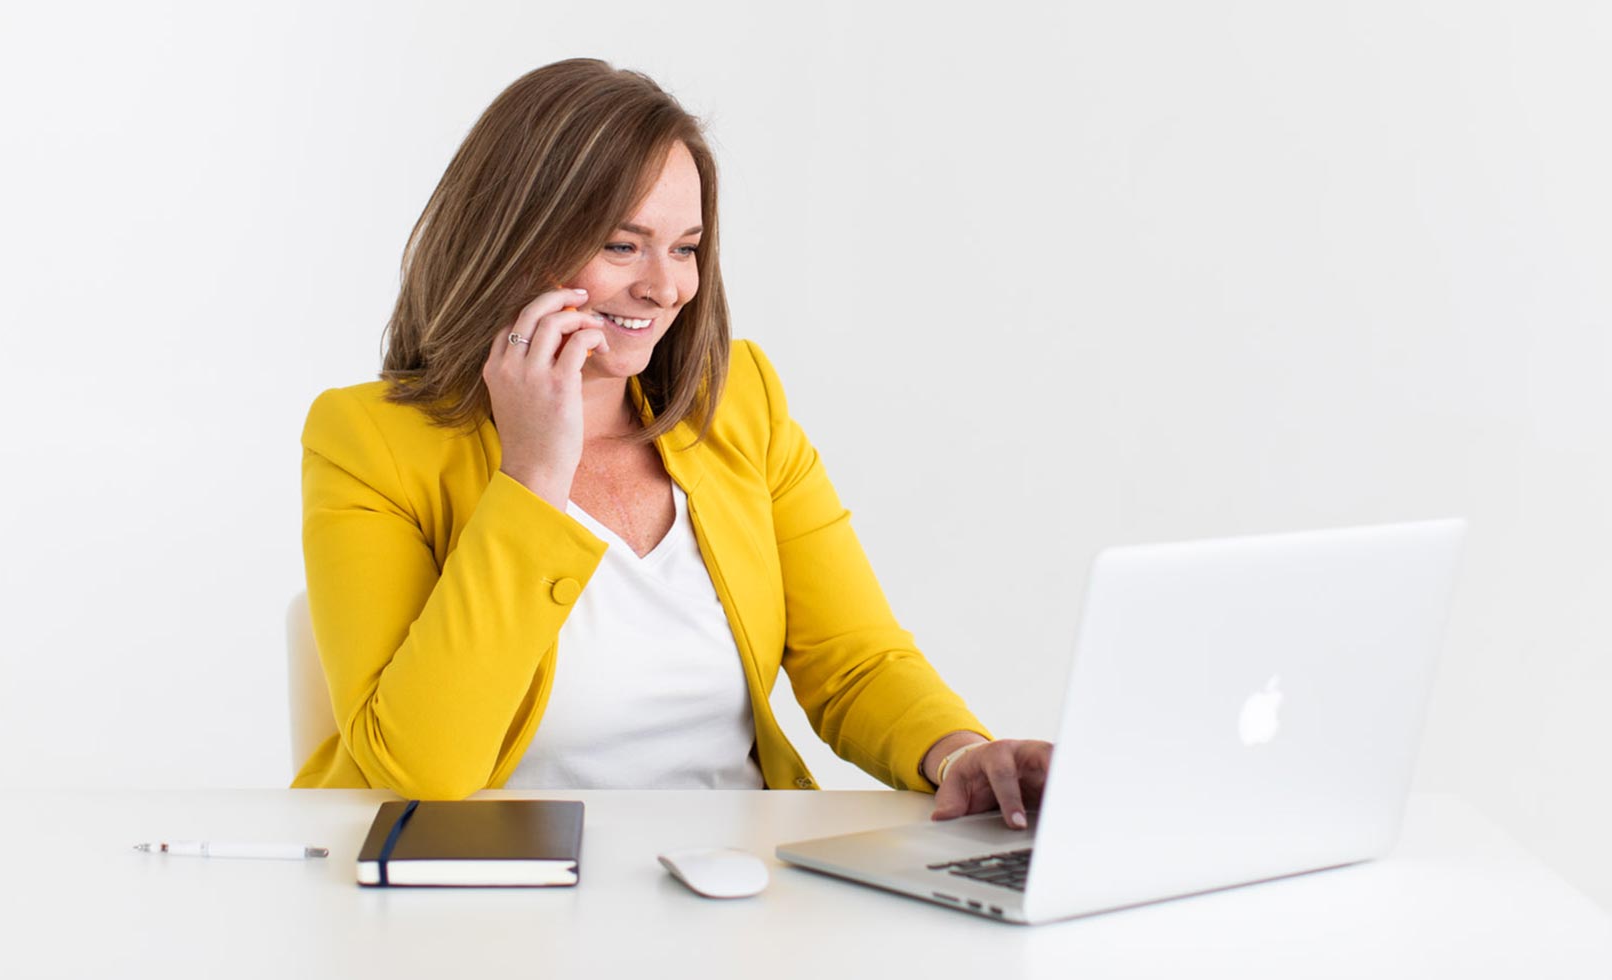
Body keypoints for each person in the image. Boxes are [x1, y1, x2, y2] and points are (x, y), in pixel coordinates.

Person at [294, 58, 1051, 829]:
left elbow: (853, 661)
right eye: (623, 246)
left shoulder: (738, 402)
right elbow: (424, 765)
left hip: (735, 886)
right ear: (514, 243)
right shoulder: (368, 442)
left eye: (685, 248)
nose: (666, 288)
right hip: (501, 897)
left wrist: (961, 755)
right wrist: (531, 476)